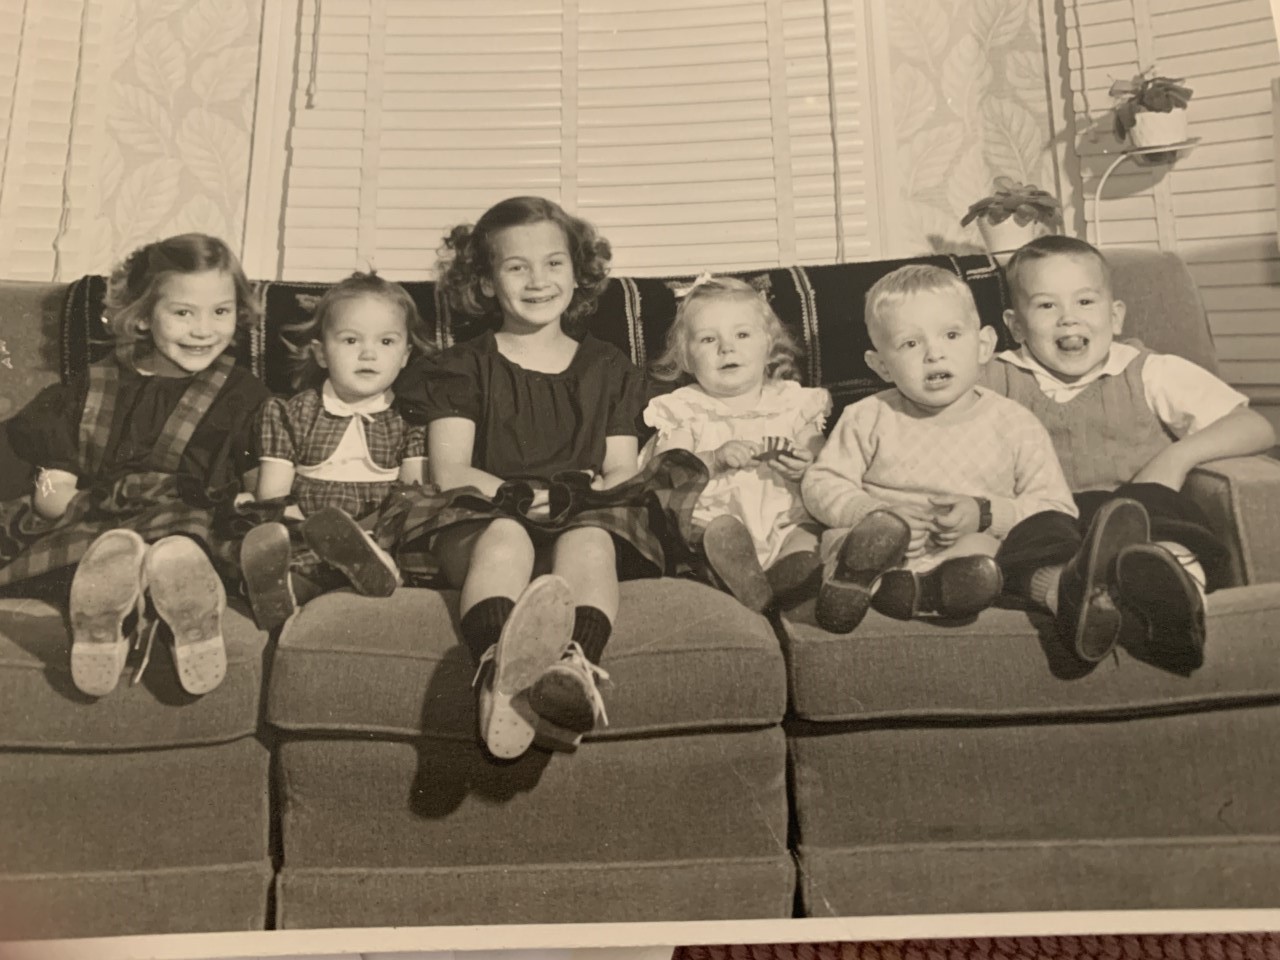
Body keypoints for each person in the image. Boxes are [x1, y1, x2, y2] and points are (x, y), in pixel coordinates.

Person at [393, 196, 706, 760]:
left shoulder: (608, 367)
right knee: (506, 536)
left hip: (581, 513)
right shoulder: (464, 366)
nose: (538, 280)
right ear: (486, 282)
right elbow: (451, 470)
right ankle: (502, 672)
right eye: (516, 267)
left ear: (578, 270)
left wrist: (566, 498)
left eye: (554, 263)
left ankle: (573, 669)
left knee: (588, 539)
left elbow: (619, 470)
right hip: (486, 517)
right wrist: (518, 497)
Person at [985, 235, 1277, 671]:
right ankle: (1068, 594)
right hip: (1046, 515)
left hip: (1135, 510)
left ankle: (1174, 597)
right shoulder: (995, 379)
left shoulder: (1148, 370)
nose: (1068, 319)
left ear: (1115, 315)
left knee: (1162, 513)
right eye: (1046, 306)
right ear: (1016, 325)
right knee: (1028, 537)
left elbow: (1256, 425)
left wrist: (1174, 459)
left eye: (1085, 302)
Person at [0, 233, 271, 697]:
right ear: (143, 316)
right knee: (103, 547)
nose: (204, 329)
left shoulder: (243, 396)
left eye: (221, 312)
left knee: (190, 542)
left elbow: (258, 486)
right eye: (183, 312)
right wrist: (53, 490)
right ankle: (105, 615)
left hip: (187, 526)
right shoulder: (92, 385)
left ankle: (179, 610)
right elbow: (48, 478)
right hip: (100, 525)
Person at [801, 264, 1083, 635]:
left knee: (987, 548)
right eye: (910, 344)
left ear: (984, 346)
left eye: (951, 335)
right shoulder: (868, 416)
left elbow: (1057, 508)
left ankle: (926, 591)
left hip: (963, 555)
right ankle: (859, 584)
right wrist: (876, 515)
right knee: (839, 540)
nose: (934, 354)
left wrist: (985, 514)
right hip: (881, 551)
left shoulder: (1014, 423)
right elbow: (820, 483)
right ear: (881, 365)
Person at [238, 272, 434, 630]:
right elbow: (273, 493)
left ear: (405, 356)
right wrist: (302, 524)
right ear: (321, 353)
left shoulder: (411, 418)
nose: (369, 353)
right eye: (350, 340)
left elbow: (413, 493)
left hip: (381, 526)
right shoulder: (289, 412)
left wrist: (373, 532)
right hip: (311, 524)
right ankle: (280, 593)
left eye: (387, 341)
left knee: (413, 524)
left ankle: (373, 563)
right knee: (284, 542)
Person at [641, 274, 831, 612]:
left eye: (742, 335)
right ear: (685, 357)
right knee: (713, 534)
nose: (726, 348)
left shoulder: (794, 403)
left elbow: (829, 467)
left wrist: (806, 465)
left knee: (807, 537)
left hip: (784, 521)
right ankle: (740, 579)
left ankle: (787, 576)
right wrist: (714, 458)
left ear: (768, 345)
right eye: (708, 339)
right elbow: (665, 473)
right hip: (714, 523)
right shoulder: (684, 409)